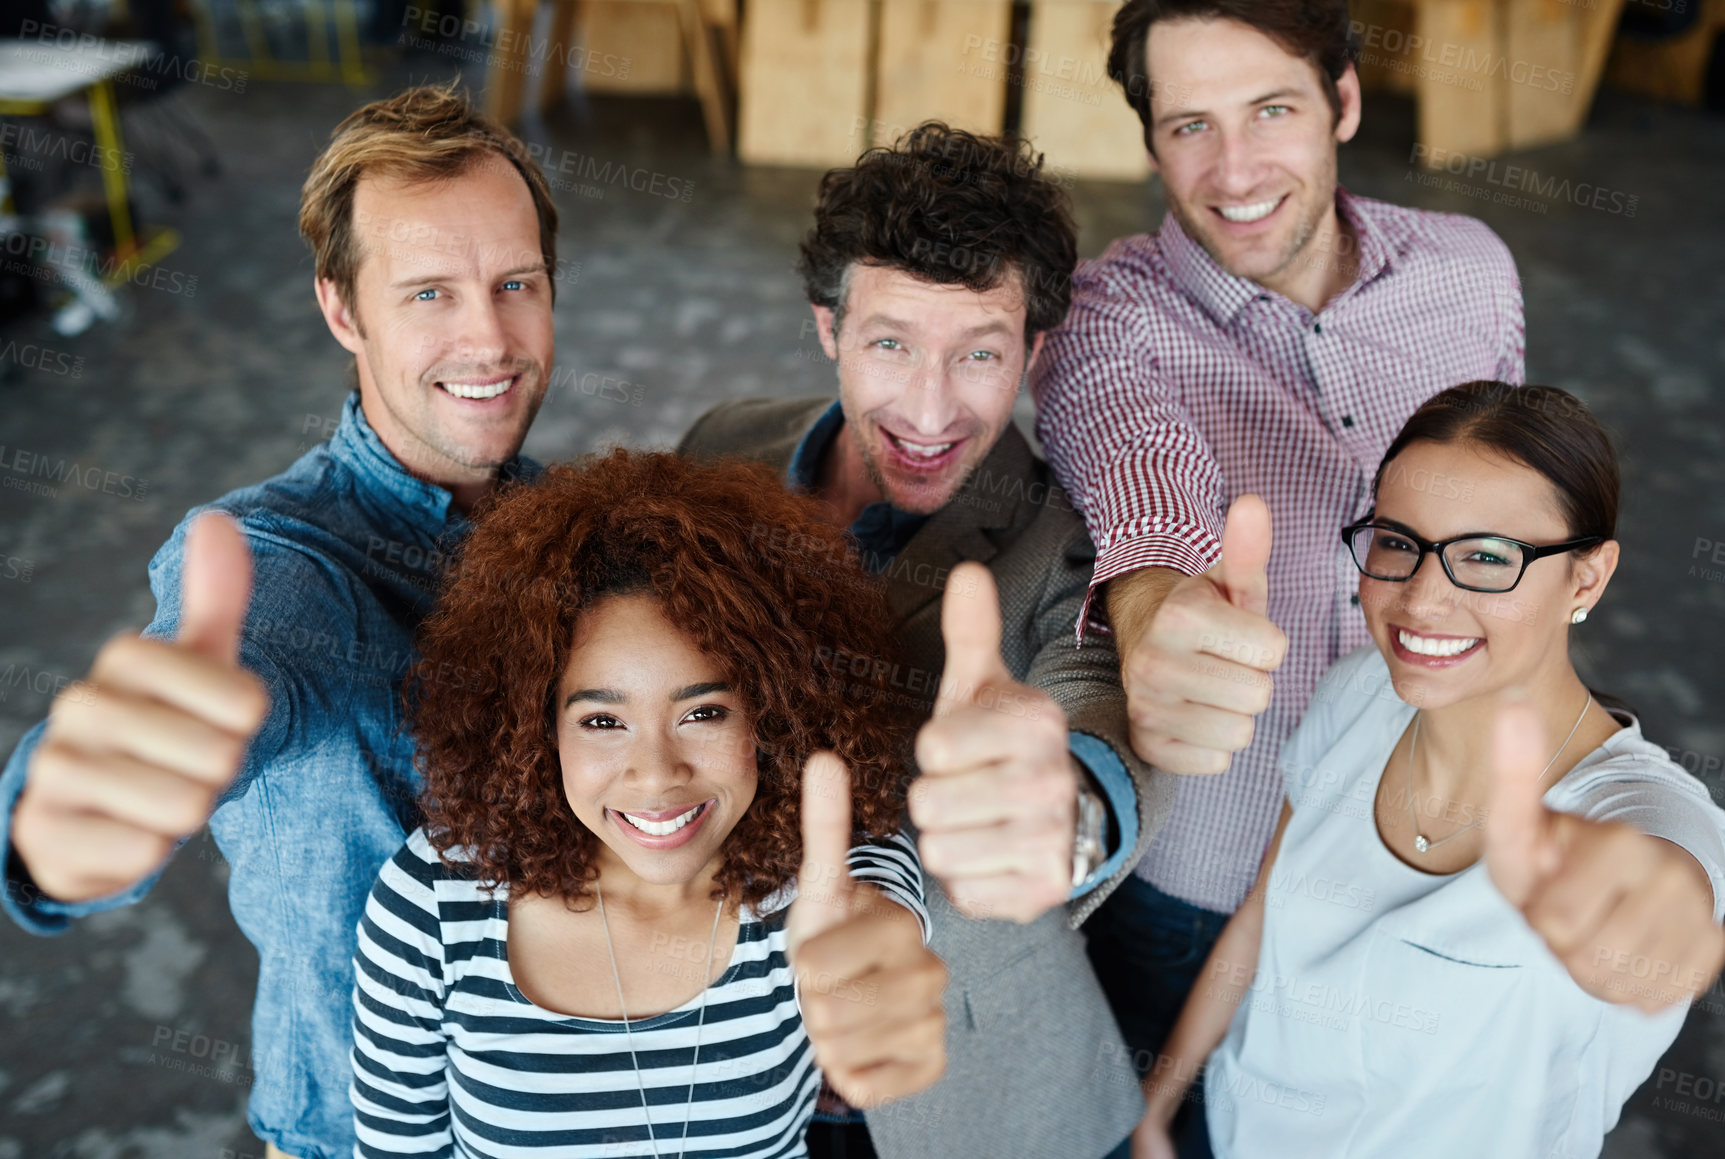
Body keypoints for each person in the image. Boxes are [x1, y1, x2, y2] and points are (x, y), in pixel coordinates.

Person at [0, 83, 560, 1159]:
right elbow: (225, 665)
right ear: (343, 310)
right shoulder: (280, 562)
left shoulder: (567, 524)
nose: (488, 337)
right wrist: (62, 832)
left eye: (516, 283)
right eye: (430, 293)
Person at [1026, 0, 1527, 1088]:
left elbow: (1516, 531)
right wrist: (1158, 602)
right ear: (1150, 138)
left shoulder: (1475, 274)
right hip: (1202, 883)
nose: (1233, 167)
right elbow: (1138, 474)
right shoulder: (1107, 320)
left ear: (1342, 100)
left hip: (1432, 864)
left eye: (1271, 109)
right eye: (1188, 124)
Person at [680, 122, 1167, 1159]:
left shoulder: (1064, 539)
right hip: (721, 1075)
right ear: (829, 328)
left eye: (979, 353)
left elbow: (1094, 708)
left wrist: (1062, 809)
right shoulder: (720, 444)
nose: (931, 409)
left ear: (1034, 352)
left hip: (953, 1101)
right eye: (891, 343)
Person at [1131, 382, 1725, 1159]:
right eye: (1397, 541)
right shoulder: (1355, 691)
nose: (1421, 597)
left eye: (1486, 556)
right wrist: (1158, 1105)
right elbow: (1260, 917)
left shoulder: (1633, 809)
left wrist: (1664, 917)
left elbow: (1673, 874)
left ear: (1586, 578)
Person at [351, 450, 947, 1157]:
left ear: (773, 711)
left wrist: (874, 969)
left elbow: (875, 918)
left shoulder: (819, 871)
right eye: (602, 721)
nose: (657, 774)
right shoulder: (434, 899)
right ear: (537, 726)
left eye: (704, 713)